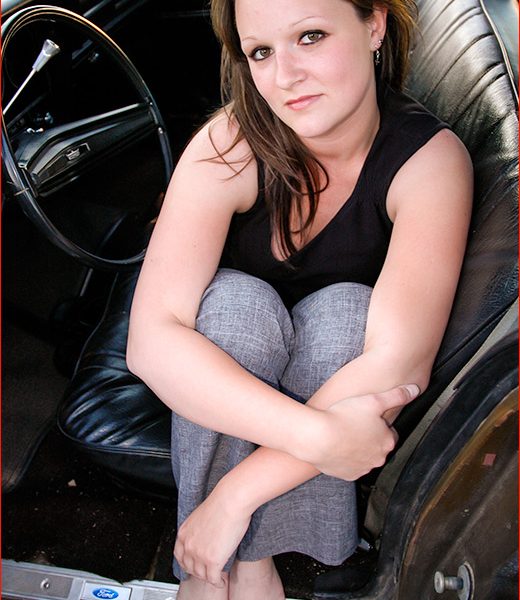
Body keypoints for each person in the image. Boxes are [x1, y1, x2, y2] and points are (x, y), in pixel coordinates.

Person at [127, 0, 472, 597]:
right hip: (239, 359)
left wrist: (232, 499)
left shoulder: (428, 162)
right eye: (261, 51)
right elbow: (151, 340)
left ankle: (235, 545)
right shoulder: (231, 141)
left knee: (347, 316)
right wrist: (319, 437)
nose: (285, 76)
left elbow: (397, 367)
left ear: (373, 25)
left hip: (334, 370)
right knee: (236, 309)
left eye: (310, 36)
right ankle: (229, 569)